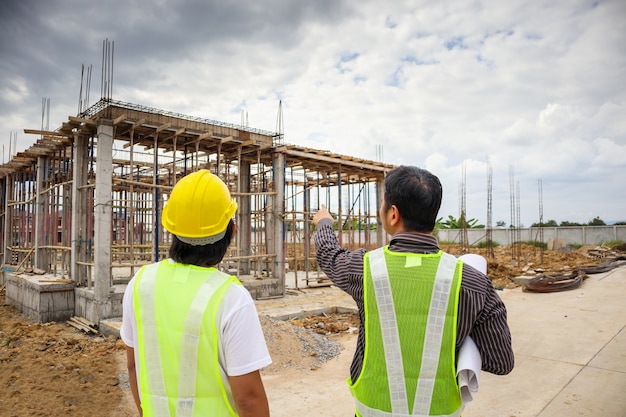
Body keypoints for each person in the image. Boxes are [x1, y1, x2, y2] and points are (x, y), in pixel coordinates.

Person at [312, 165, 514, 417]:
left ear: (393, 214)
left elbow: (329, 255)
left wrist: (324, 224)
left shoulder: (364, 270)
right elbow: (501, 362)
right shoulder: (473, 282)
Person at [121, 169, 271, 417]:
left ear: (171, 229)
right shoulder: (231, 298)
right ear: (231, 232)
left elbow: (133, 365)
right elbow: (248, 398)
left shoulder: (141, 283)